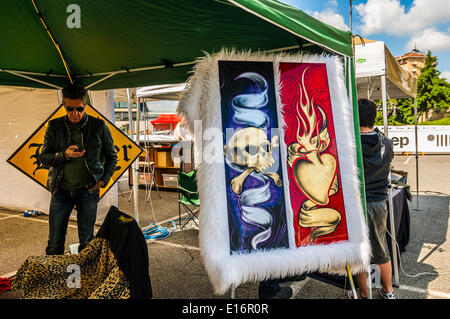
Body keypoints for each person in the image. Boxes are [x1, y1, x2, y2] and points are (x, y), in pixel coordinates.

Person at [39, 83, 117, 255]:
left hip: (88, 191)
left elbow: (112, 156)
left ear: (85, 104)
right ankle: (55, 278)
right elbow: (43, 158)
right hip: (61, 190)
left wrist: (103, 180)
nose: (75, 113)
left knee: (87, 242)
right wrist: (64, 155)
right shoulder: (54, 126)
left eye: (80, 109)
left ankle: (86, 280)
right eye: (70, 109)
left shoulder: (99, 126)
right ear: (63, 106)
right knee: (55, 242)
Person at [354, 98, 395, 299]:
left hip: (357, 203)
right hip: (379, 202)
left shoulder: (350, 144)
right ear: (374, 117)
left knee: (359, 252)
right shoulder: (385, 143)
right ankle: (388, 291)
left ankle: (364, 294)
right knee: (381, 249)